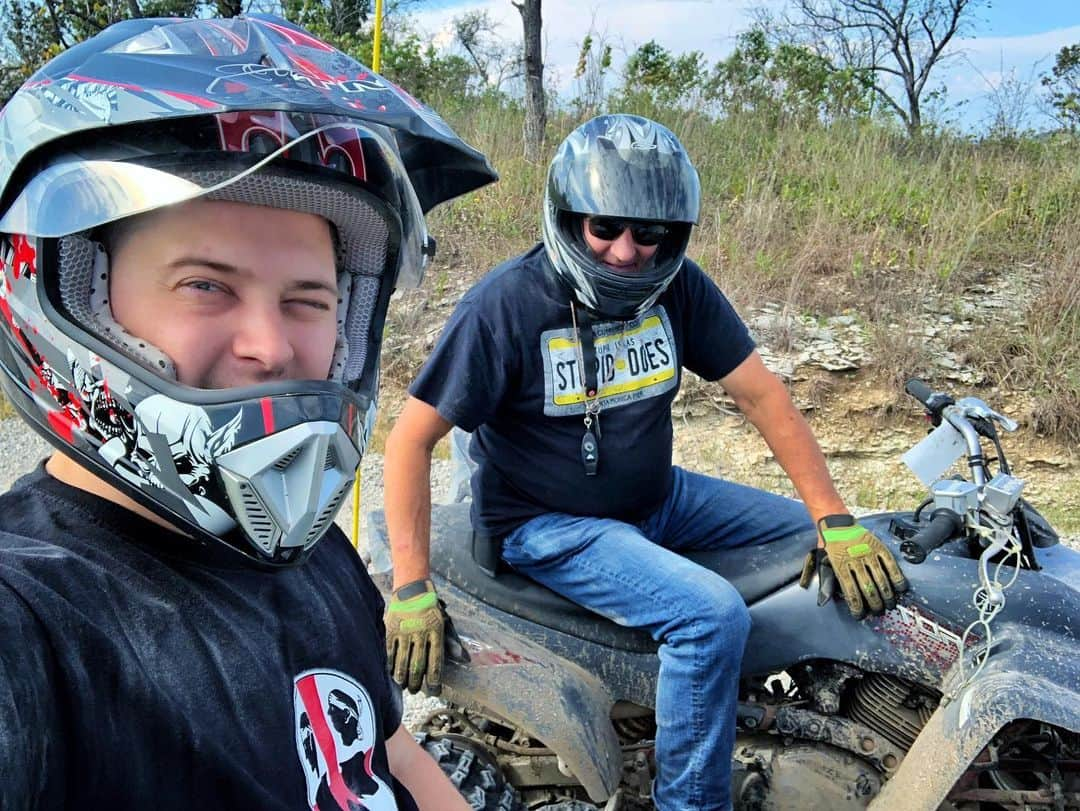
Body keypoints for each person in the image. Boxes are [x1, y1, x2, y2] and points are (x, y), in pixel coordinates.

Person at [0, 14, 497, 810]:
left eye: (309, 299)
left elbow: (387, 748)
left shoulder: (310, 551)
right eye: (206, 285)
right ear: (77, 294)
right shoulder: (36, 621)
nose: (270, 345)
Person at [382, 114, 908, 810]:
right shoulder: (507, 306)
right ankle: (689, 800)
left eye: (649, 233)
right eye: (605, 228)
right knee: (710, 615)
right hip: (546, 523)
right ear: (570, 219)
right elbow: (409, 439)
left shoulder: (677, 288)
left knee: (819, 546)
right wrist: (412, 587)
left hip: (661, 499)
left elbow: (760, 394)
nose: (627, 251)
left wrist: (834, 517)